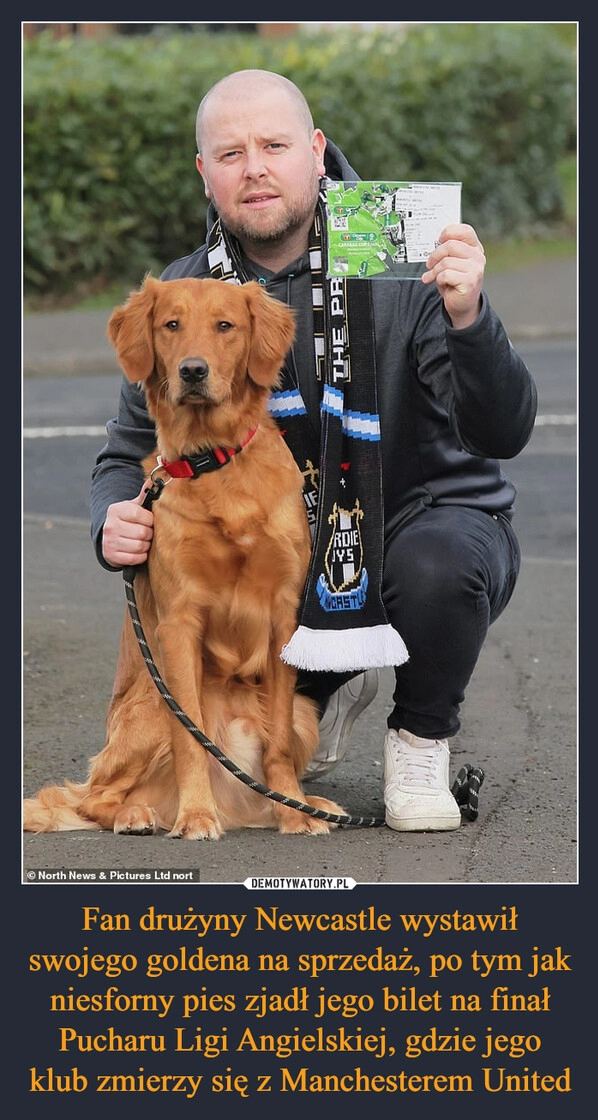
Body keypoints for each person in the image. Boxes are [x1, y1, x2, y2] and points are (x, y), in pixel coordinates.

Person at [90, 69, 537, 833]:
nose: (254, 167)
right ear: (205, 173)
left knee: (438, 565)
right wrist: (112, 519)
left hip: (421, 529)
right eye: (230, 153)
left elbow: (502, 431)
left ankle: (420, 735)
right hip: (285, 558)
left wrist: (468, 315)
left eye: (274, 145)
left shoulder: (402, 248)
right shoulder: (186, 292)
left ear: (317, 151)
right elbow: (124, 454)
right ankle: (311, 702)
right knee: (230, 581)